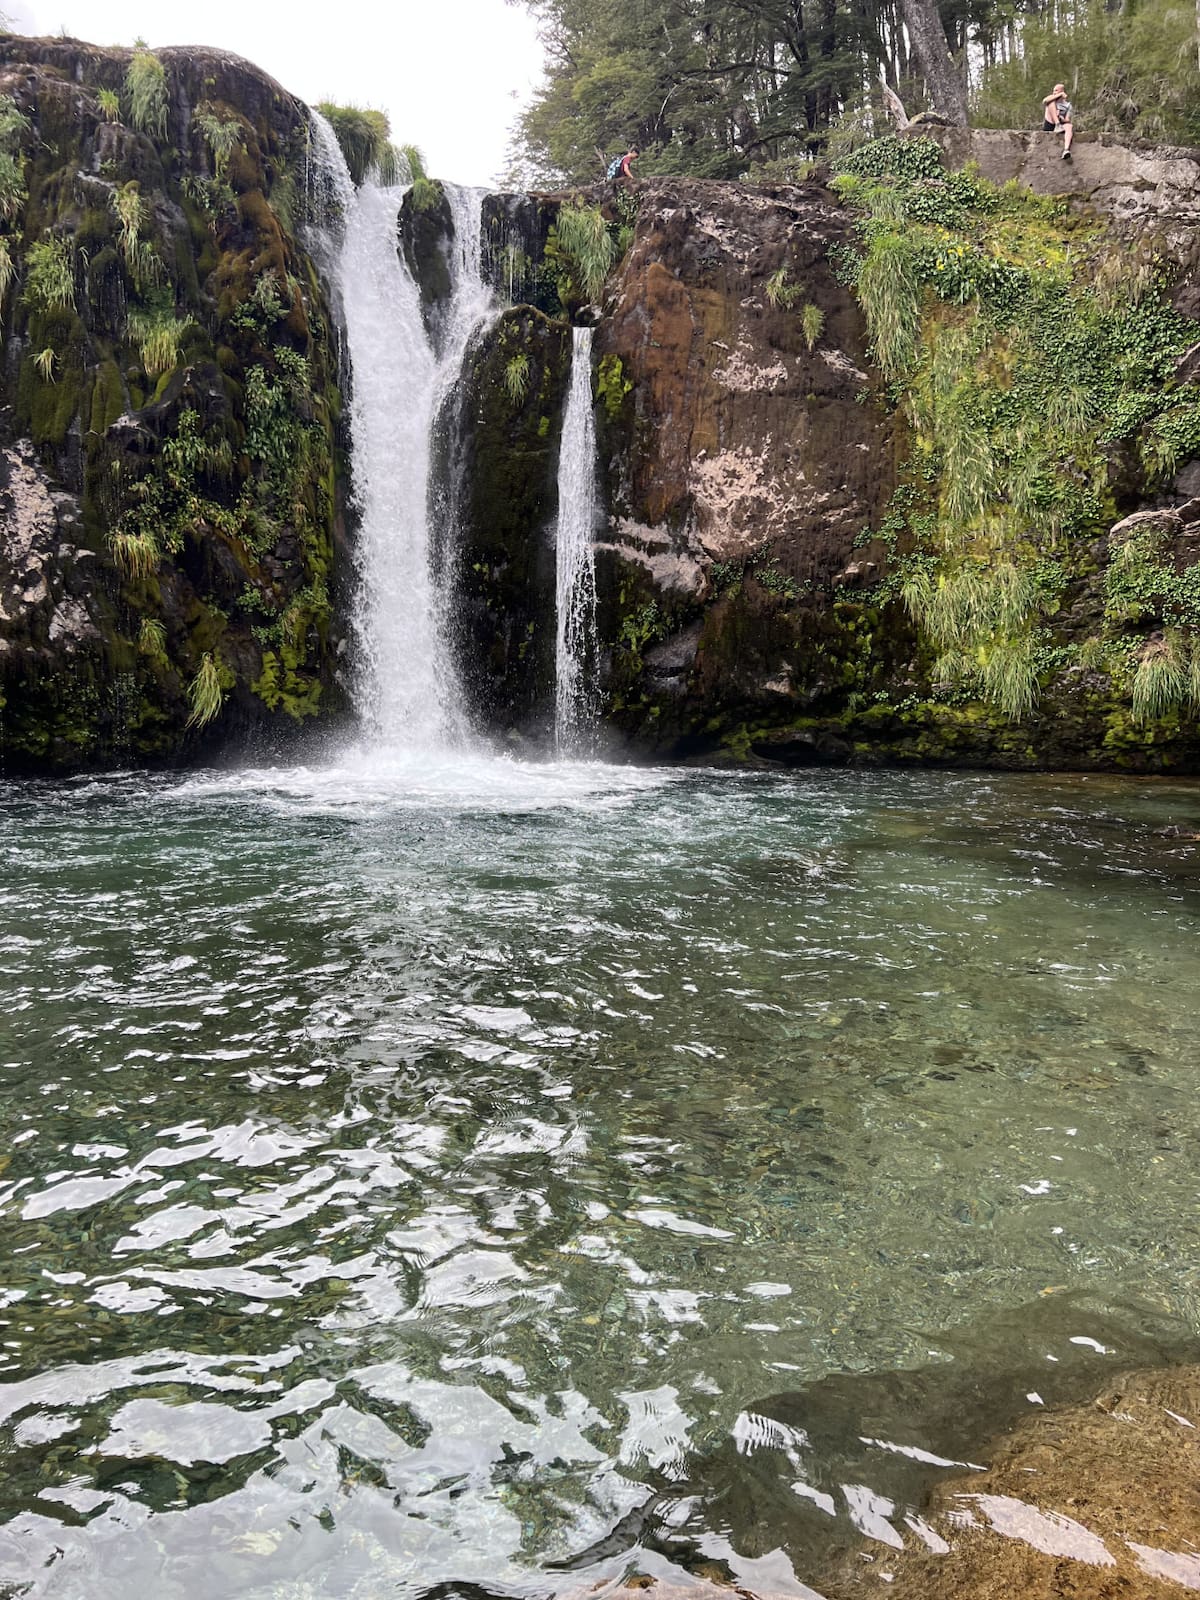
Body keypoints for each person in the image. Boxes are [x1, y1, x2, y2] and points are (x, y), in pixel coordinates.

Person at [1042, 84, 1074, 159]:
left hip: (1061, 123)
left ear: (1062, 90)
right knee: (1051, 103)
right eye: (1053, 90)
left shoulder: (1068, 105)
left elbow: (1067, 119)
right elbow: (1045, 101)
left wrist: (1061, 118)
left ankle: (1066, 150)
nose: (1054, 92)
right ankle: (1057, 124)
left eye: (1056, 90)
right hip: (1050, 123)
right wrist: (1060, 94)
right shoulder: (1051, 99)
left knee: (1069, 126)